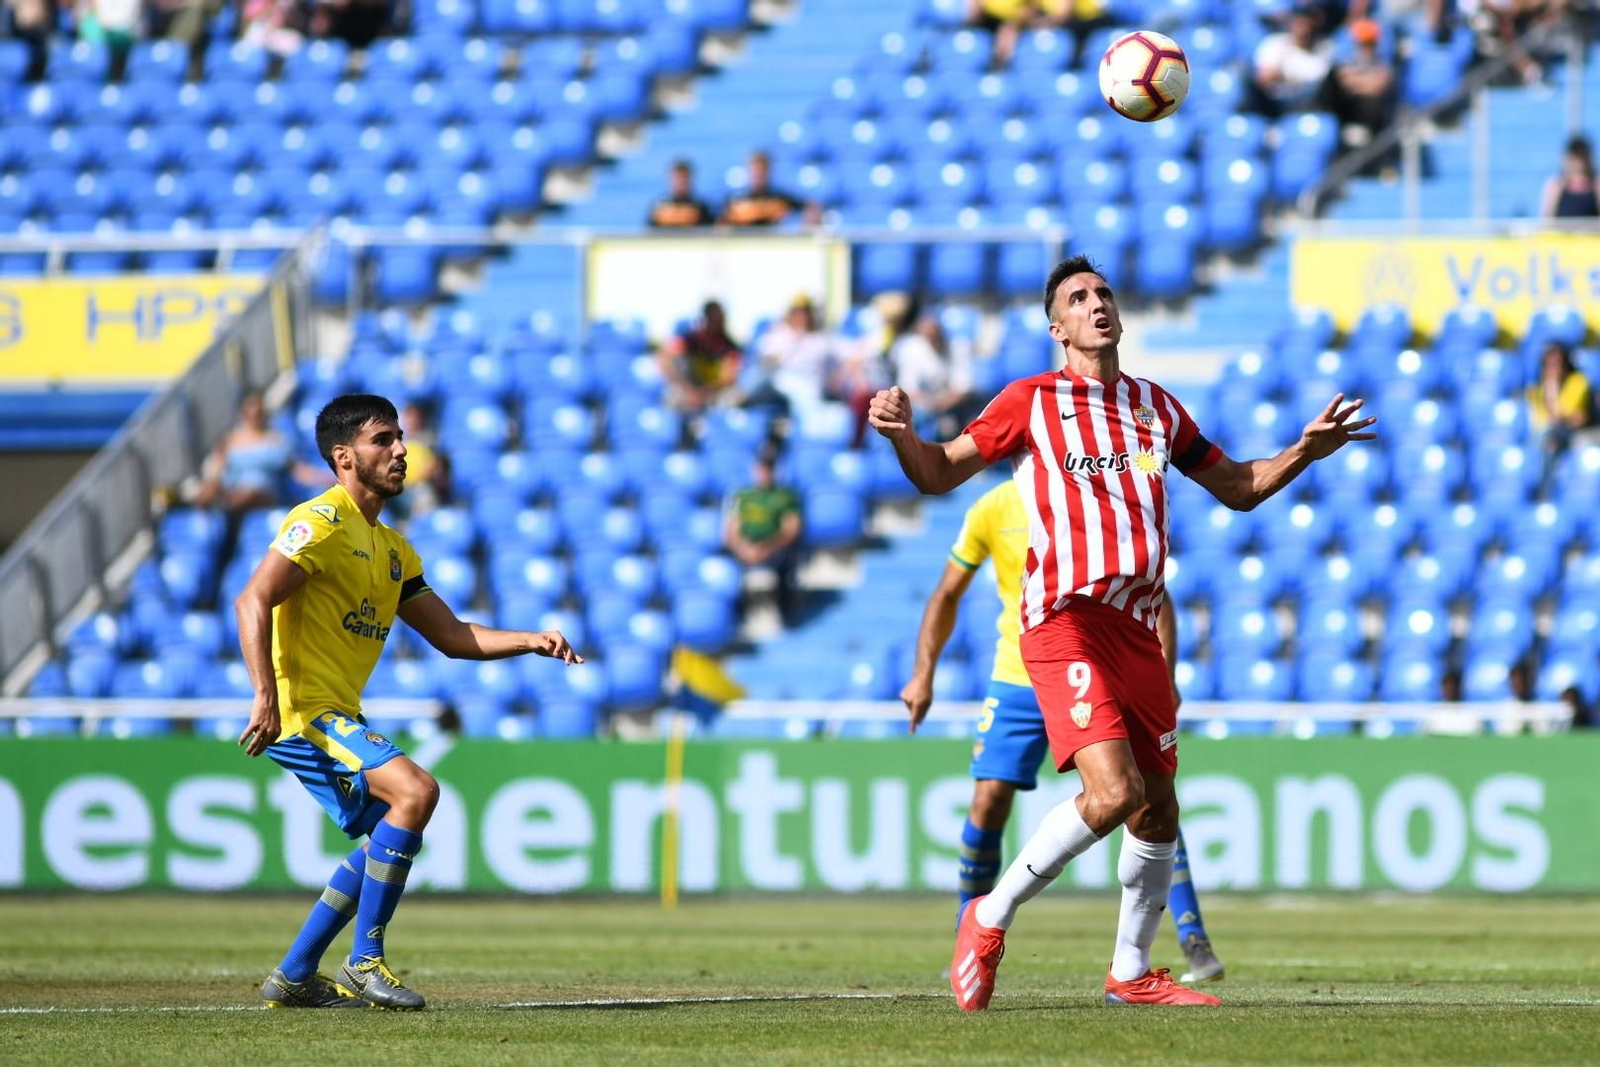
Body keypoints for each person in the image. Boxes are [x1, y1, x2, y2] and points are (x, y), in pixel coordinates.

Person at [869, 255, 1375, 1010]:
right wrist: (904, 437)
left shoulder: (1155, 408)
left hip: (1137, 626)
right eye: (1078, 297)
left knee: (1157, 807)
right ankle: (989, 915)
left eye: (1103, 292)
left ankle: (1130, 971)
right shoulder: (1030, 401)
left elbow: (1238, 487)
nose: (1096, 302)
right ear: (1057, 327)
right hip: (1063, 619)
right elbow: (940, 472)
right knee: (1111, 794)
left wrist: (1304, 449)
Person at [236, 394, 582, 1010]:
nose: (401, 450)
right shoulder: (318, 522)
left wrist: (531, 638)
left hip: (337, 711)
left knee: (384, 837)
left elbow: (452, 637)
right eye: (382, 440)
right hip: (306, 711)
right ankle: (365, 959)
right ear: (344, 457)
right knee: (417, 792)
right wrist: (265, 694)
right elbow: (253, 600)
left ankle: (294, 974)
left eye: (400, 438)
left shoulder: (394, 551)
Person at [902, 477, 1225, 983]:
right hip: (1019, 674)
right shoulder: (992, 508)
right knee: (988, 800)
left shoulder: (1097, 496)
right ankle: (967, 937)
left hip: (1101, 668)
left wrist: (1162, 675)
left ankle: (1192, 938)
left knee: (1149, 796)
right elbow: (947, 592)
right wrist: (923, 672)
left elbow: (1155, 594)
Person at [724, 448, 804, 624]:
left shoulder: (785, 496)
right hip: (745, 550)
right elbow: (730, 530)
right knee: (726, 571)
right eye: (762, 468)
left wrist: (767, 549)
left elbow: (791, 529)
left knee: (786, 564)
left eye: (768, 468)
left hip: (774, 550)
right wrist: (743, 550)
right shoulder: (742, 495)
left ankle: (786, 616)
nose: (765, 472)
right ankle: (737, 619)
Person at [195, 392, 293, 514]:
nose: (255, 415)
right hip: (234, 490)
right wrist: (212, 487)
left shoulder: (276, 439)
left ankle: (228, 507)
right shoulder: (229, 441)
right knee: (209, 491)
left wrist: (321, 478)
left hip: (263, 494)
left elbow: (297, 469)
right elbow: (215, 472)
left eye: (258, 412)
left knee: (251, 493)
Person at [748, 293, 837, 422]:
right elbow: (766, 361)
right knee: (757, 376)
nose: (802, 316)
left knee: (805, 394)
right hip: (780, 384)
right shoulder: (778, 335)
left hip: (809, 386)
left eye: (805, 311)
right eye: (797, 311)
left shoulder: (821, 340)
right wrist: (792, 344)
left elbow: (838, 365)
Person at [890, 313, 980, 441]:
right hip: (922, 406)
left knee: (952, 426)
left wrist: (939, 404)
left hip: (954, 407)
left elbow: (963, 389)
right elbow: (908, 388)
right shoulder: (910, 348)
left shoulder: (959, 348)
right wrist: (929, 404)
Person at [1527, 341, 1594, 493]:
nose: (1553, 368)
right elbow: (1538, 422)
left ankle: (1545, 493)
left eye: (1558, 364)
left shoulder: (1578, 383)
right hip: (1544, 438)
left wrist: (1552, 386)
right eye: (1548, 364)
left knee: (1550, 441)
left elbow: (1561, 418)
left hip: (1571, 435)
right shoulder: (1534, 390)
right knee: (1547, 443)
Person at [1328, 19, 1397, 163]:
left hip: (1374, 120)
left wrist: (1356, 82)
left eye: (1370, 44)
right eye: (1362, 44)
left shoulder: (1383, 64)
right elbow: (1343, 82)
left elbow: (1379, 85)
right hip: (1349, 113)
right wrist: (1366, 82)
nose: (1366, 49)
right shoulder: (1347, 62)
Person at [659, 300, 744, 412]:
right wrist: (688, 389)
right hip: (687, 388)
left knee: (733, 398)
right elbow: (666, 358)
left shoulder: (729, 345)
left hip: (714, 393)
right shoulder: (690, 339)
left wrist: (704, 394)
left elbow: (729, 377)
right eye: (712, 320)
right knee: (671, 396)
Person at [1250, 4, 1333, 117]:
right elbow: (1263, 79)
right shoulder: (1274, 43)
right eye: (1299, 24)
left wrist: (1284, 74)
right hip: (1274, 103)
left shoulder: (1325, 47)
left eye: (1307, 24)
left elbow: (1321, 83)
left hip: (1308, 105)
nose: (1303, 30)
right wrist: (1284, 57)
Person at [720, 151, 812, 227]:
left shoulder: (780, 197)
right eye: (756, 170)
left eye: (762, 170)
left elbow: (809, 207)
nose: (759, 174)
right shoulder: (736, 198)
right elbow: (723, 222)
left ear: (769, 170)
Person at [1541, 135, 1599, 220]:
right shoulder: (1556, 186)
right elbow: (1547, 220)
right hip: (1563, 232)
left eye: (1581, 158)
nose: (1578, 163)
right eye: (1574, 158)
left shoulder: (1596, 185)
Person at [648, 159, 716, 228]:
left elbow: (710, 230)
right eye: (677, 178)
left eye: (684, 178)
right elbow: (648, 231)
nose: (680, 182)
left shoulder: (701, 206)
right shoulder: (659, 206)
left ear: (690, 179)